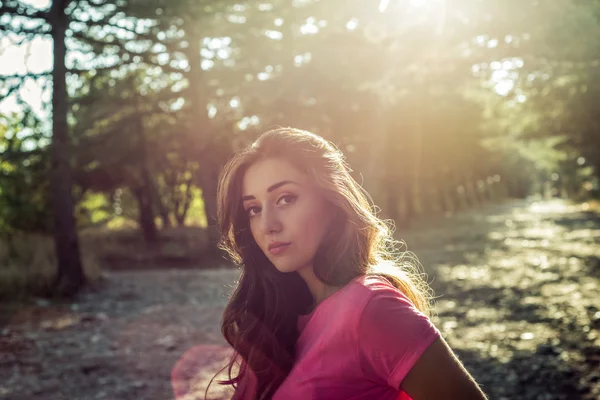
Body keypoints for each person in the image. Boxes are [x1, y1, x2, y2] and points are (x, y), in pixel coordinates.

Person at [210, 127, 488, 400]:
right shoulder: (274, 317)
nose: (267, 225)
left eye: (286, 199)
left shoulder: (373, 309)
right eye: (254, 209)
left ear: (332, 201)